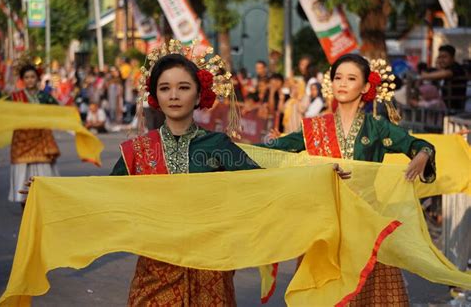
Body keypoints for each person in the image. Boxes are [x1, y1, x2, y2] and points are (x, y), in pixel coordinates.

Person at [258, 53, 436, 305]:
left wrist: (422, 155)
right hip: (324, 228)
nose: (342, 83)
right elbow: (277, 148)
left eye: (351, 78)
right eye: (337, 77)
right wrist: (237, 150)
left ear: (365, 87)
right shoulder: (315, 128)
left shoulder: (377, 128)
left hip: (366, 226)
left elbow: (418, 144)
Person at [109, 43, 262, 306]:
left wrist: (319, 180)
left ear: (199, 93)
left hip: (210, 271)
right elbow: (99, 197)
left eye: (183, 87)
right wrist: (48, 194)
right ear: (155, 95)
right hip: (155, 269)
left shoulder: (217, 145)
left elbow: (265, 186)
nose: (174, 96)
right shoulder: (138, 150)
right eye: (165, 88)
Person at [8, 62, 60, 208]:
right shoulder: (15, 97)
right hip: (22, 140)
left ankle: (42, 204)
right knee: (23, 172)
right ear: (22, 80)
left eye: (32, 77)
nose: (30, 80)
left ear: (37, 78)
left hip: (41, 139)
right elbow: (3, 110)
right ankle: (24, 206)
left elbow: (59, 110)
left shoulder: (44, 97)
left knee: (43, 170)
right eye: (27, 77)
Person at [419, 45, 467, 111]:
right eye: (439, 57)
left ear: (452, 58)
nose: (441, 60)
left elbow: (446, 73)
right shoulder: (440, 70)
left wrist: (425, 76)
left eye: (444, 57)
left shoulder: (457, 67)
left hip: (453, 108)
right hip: (440, 107)